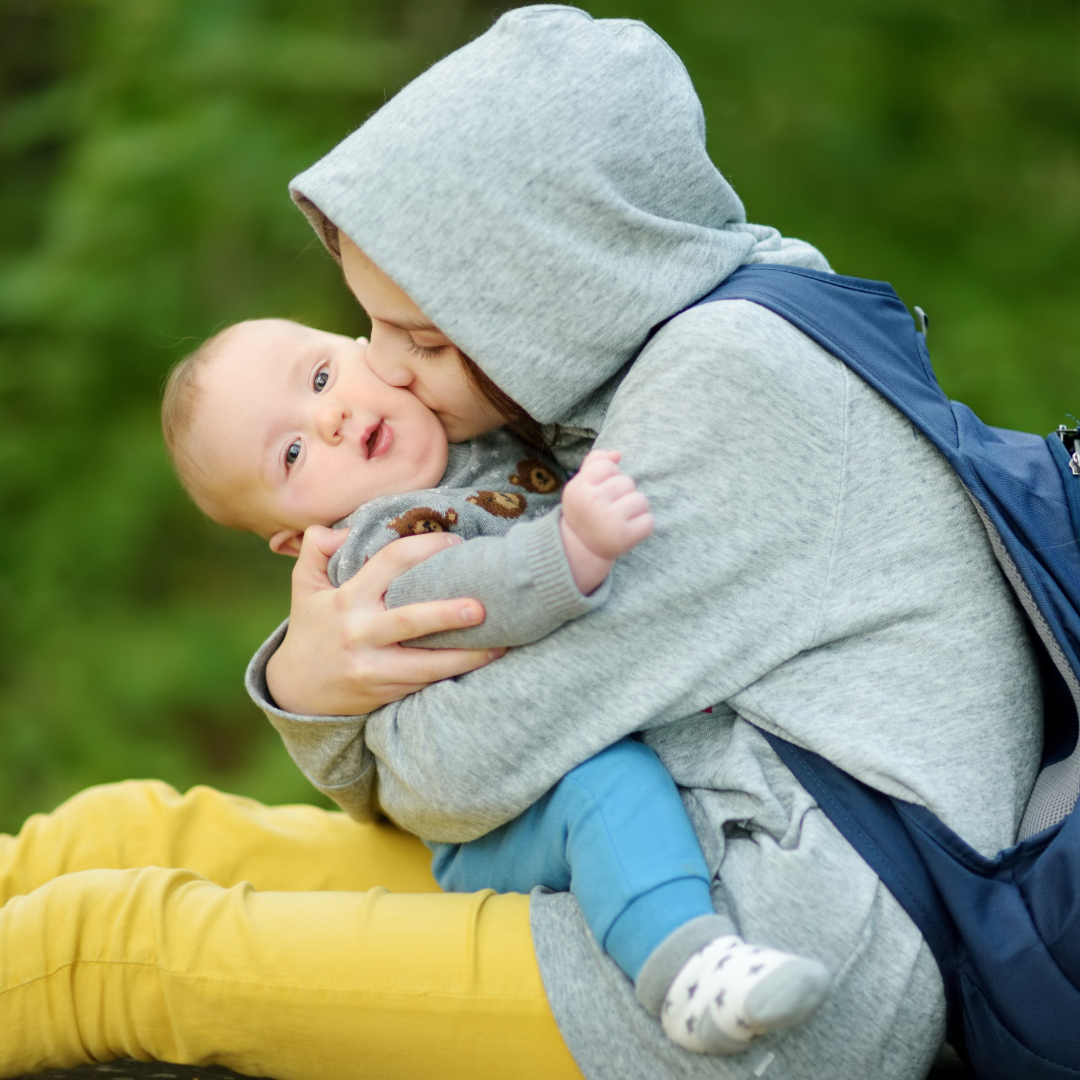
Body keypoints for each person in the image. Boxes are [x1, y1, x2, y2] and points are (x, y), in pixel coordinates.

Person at [0, 8, 1041, 1080]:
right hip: (669, 851)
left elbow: (464, 773)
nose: (383, 373)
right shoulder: (645, 351)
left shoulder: (733, 392)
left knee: (108, 954)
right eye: (371, 329)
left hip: (786, 946)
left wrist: (339, 697)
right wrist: (320, 690)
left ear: (543, 283)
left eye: (424, 340)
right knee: (120, 837)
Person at [159, 315, 832, 1054]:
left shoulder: (482, 433)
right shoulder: (371, 543)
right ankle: (686, 972)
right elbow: (460, 596)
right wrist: (570, 551)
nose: (330, 418)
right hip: (501, 823)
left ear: (360, 347)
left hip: (563, 740)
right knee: (608, 788)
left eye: (320, 378)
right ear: (296, 538)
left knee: (636, 780)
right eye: (291, 453)